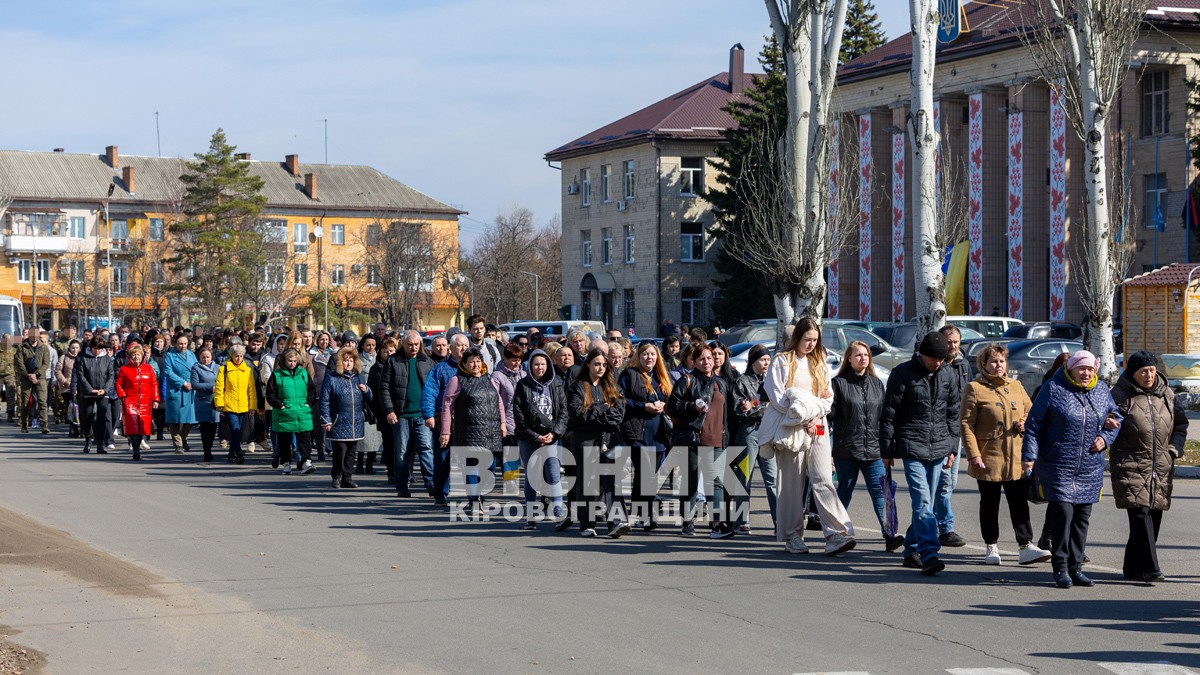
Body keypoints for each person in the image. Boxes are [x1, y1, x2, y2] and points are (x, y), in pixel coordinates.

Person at [1022, 350, 1122, 588]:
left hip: (1090, 466)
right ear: (1071, 369)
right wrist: (1029, 456)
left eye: (1090, 369)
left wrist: (1106, 437)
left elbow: (1116, 417)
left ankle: (1076, 568)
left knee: (1081, 518)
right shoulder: (1054, 388)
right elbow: (1034, 424)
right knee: (1063, 515)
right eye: (1081, 368)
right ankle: (1061, 568)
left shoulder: (1100, 391)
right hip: (1058, 463)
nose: (1086, 373)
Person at [761, 319, 856, 555]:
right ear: (797, 338)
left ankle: (836, 533)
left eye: (815, 340)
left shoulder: (820, 362)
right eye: (807, 339)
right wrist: (804, 417)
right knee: (791, 484)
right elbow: (778, 398)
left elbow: (828, 398)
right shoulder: (782, 361)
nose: (811, 344)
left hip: (819, 426)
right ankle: (792, 536)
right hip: (792, 427)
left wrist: (813, 416)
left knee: (823, 477)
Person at [959, 343, 1050, 566]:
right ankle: (991, 545)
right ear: (983, 364)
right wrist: (973, 454)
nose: (998, 365)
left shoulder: (1016, 385)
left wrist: (1024, 422)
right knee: (989, 503)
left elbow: (1031, 411)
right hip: (988, 455)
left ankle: (1025, 545)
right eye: (993, 361)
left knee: (1019, 502)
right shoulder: (974, 388)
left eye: (1001, 361)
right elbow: (966, 424)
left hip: (1016, 455)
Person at [880, 331, 958, 576]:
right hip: (912, 446)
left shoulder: (948, 373)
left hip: (939, 448)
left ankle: (910, 549)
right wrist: (886, 449)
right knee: (923, 501)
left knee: (927, 503)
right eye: (933, 358)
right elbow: (889, 414)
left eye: (942, 359)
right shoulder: (902, 373)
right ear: (921, 354)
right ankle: (929, 553)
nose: (937, 363)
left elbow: (953, 413)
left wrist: (953, 447)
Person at [1109, 351, 1188, 583]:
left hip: (1161, 464)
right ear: (1133, 373)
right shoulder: (1119, 395)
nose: (1149, 375)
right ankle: (1152, 568)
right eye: (1143, 371)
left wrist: (1175, 448)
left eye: (1152, 370)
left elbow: (1181, 424)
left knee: (1153, 516)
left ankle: (1132, 567)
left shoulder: (1167, 395)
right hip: (1131, 463)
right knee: (1140, 514)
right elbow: (1107, 423)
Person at [830, 341, 904, 552]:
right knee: (844, 492)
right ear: (849, 359)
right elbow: (830, 416)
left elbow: (884, 418)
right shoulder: (838, 383)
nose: (863, 358)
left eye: (866, 355)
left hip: (873, 450)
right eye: (858, 355)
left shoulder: (876, 384)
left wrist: (888, 448)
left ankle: (890, 534)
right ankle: (837, 535)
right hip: (847, 449)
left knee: (882, 492)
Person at [438, 347, 513, 512]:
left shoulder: (488, 379)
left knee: (490, 467)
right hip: (468, 432)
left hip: (491, 432)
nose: (476, 364)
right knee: (472, 465)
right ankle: (474, 499)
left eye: (478, 361)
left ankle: (478, 495)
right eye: (471, 361)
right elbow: (447, 407)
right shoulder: (457, 380)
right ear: (463, 364)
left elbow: (499, 402)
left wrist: (502, 423)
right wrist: (445, 431)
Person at [567, 348, 628, 538]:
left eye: (603, 364)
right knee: (589, 482)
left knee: (611, 481)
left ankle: (616, 523)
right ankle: (587, 523)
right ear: (588, 364)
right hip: (585, 439)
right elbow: (578, 414)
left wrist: (596, 413)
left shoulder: (612, 386)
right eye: (597, 364)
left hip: (609, 439)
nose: (600, 368)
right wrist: (602, 409)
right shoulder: (577, 386)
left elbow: (619, 413)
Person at [618, 342, 672, 532]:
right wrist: (644, 406)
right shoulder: (629, 375)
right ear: (638, 356)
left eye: (652, 354)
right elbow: (620, 398)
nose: (649, 358)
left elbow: (670, 399)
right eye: (645, 354)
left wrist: (664, 405)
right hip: (638, 432)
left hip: (659, 434)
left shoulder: (661, 376)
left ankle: (639, 512)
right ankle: (646, 515)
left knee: (650, 477)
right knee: (645, 475)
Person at [514, 349, 569, 529]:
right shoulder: (522, 385)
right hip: (529, 439)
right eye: (536, 364)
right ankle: (531, 517)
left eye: (543, 364)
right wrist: (535, 436)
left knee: (554, 476)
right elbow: (519, 416)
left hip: (551, 438)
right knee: (532, 478)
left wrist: (554, 433)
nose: (540, 367)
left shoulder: (557, 384)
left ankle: (559, 515)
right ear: (530, 366)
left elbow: (563, 413)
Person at [381, 331, 435, 498]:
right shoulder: (393, 361)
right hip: (401, 415)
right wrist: (389, 410)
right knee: (402, 451)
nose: (413, 348)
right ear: (403, 344)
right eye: (410, 344)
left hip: (423, 415)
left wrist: (432, 412)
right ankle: (402, 485)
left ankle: (432, 484)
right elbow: (384, 388)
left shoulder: (427, 362)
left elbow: (434, 389)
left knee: (426, 448)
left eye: (416, 345)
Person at [731, 343, 776, 533]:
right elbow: (739, 411)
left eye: (768, 360)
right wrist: (758, 407)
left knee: (772, 478)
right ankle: (741, 520)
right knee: (744, 477)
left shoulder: (772, 381)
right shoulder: (742, 381)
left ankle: (780, 521)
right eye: (763, 360)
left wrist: (756, 406)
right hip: (749, 432)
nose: (766, 363)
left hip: (768, 433)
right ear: (753, 361)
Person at [421, 332, 470, 505]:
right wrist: (428, 415)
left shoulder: (473, 368)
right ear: (451, 348)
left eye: (465, 345)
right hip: (444, 420)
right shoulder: (440, 369)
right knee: (443, 458)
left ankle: (471, 495)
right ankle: (441, 493)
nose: (463, 348)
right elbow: (429, 392)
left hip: (467, 421)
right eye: (459, 345)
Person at [934, 324, 970, 548]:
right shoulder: (934, 365)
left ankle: (930, 525)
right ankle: (945, 527)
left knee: (949, 481)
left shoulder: (963, 364)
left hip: (957, 431)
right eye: (948, 342)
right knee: (944, 482)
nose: (953, 346)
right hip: (939, 431)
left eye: (956, 342)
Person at [320, 346, 372, 489]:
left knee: (351, 452)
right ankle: (336, 476)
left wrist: (366, 390)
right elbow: (324, 400)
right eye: (345, 360)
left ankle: (347, 478)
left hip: (355, 421)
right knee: (340, 451)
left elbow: (370, 398)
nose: (348, 363)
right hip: (338, 421)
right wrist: (326, 419)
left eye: (351, 360)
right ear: (339, 362)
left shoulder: (359, 377)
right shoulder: (331, 377)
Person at [266, 348, 316, 475]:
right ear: (284, 360)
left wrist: (308, 404)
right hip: (284, 412)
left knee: (305, 438)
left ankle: (306, 461)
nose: (292, 363)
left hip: (301, 411)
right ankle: (286, 463)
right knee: (284, 440)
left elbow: (312, 390)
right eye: (290, 361)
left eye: (294, 361)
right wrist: (280, 405)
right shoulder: (277, 375)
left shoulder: (303, 373)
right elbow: (270, 393)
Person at [213, 344, 259, 465]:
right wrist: (219, 403)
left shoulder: (247, 370)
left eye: (241, 356)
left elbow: (251, 390)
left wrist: (252, 406)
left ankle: (231, 452)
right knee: (235, 429)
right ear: (231, 356)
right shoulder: (224, 369)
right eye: (236, 356)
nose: (238, 358)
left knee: (237, 431)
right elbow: (219, 387)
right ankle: (238, 453)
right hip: (229, 405)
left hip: (243, 405)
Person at [115, 342, 160, 461]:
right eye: (134, 355)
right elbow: (118, 384)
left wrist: (155, 399)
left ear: (142, 355)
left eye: (138, 355)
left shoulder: (149, 369)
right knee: (133, 427)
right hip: (130, 401)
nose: (136, 357)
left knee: (142, 427)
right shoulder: (124, 369)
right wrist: (123, 397)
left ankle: (138, 445)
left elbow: (154, 384)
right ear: (130, 356)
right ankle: (135, 449)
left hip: (145, 402)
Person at [75, 335, 115, 453]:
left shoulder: (107, 359)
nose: (97, 351)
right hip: (88, 393)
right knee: (87, 417)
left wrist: (105, 389)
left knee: (102, 418)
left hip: (102, 392)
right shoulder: (84, 358)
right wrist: (90, 389)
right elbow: (81, 375)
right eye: (95, 348)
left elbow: (111, 375)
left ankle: (100, 444)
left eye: (99, 348)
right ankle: (88, 440)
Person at [162, 333, 198, 454]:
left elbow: (197, 369)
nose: (183, 346)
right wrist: (183, 383)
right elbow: (168, 372)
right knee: (175, 419)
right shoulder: (170, 356)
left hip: (191, 389)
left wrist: (194, 382)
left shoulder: (191, 355)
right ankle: (178, 444)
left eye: (185, 344)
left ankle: (182, 438)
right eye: (180, 343)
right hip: (177, 389)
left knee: (190, 419)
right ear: (175, 343)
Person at [14, 326, 51, 433]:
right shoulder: (22, 347)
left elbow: (46, 363)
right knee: (25, 403)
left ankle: (44, 425)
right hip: (26, 378)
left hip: (40, 378)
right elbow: (19, 363)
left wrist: (37, 374)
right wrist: (28, 375)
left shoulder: (44, 348)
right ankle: (24, 425)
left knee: (42, 402)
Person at [356, 334, 382, 476]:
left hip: (375, 399)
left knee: (374, 435)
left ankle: (370, 463)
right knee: (363, 435)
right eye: (368, 345)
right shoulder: (358, 360)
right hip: (362, 399)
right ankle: (359, 462)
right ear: (362, 345)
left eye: (373, 345)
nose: (371, 347)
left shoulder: (379, 359)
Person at [190, 347, 220, 462]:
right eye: (203, 357)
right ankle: (206, 450)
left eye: (207, 357)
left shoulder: (217, 367)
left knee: (213, 427)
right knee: (205, 427)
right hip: (203, 401)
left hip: (215, 401)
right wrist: (210, 387)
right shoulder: (196, 368)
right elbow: (195, 384)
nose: (205, 359)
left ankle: (210, 447)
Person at [55, 339, 81, 438]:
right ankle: (73, 427)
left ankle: (81, 428)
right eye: (73, 348)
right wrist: (65, 381)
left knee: (80, 408)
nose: (74, 350)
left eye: (77, 348)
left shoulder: (82, 358)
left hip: (80, 388)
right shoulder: (64, 357)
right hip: (67, 388)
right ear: (69, 348)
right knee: (71, 407)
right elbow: (58, 371)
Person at [0, 334, 15, 423]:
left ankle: (10, 414)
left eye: (8, 339)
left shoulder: (14, 351)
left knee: (10, 395)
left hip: (10, 375)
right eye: (5, 339)